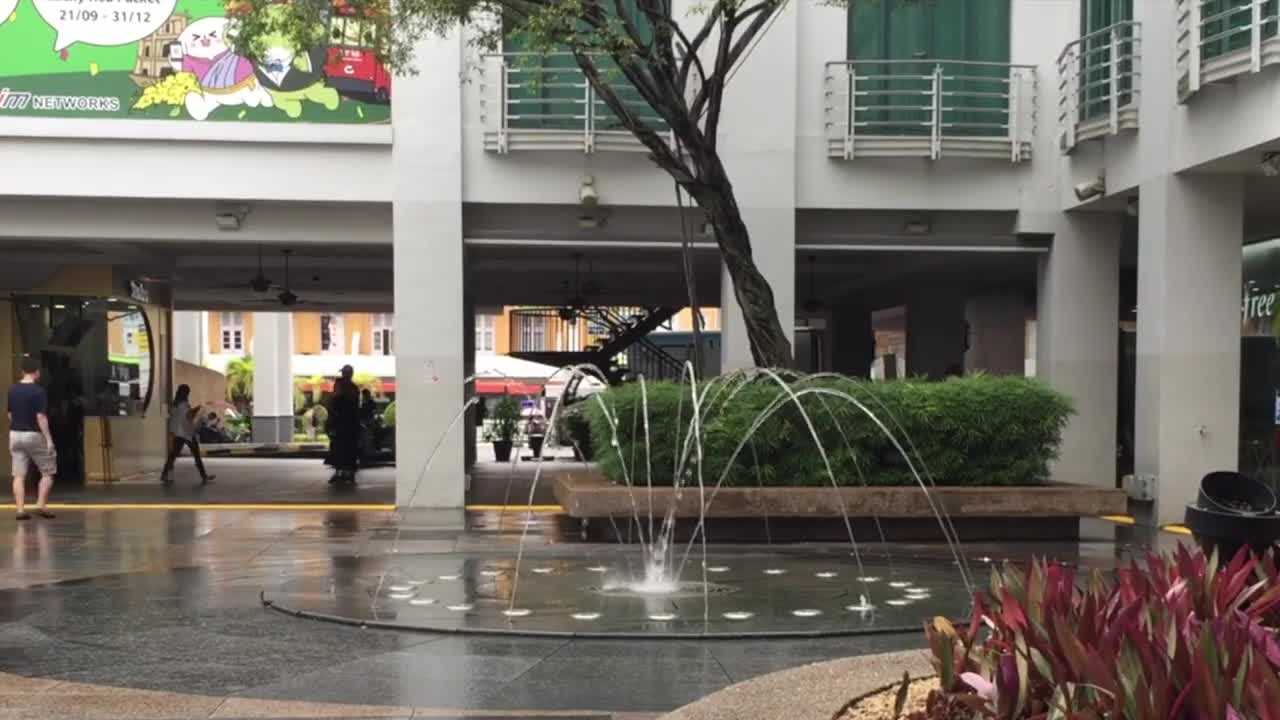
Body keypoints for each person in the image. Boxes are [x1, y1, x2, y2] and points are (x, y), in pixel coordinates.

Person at [7, 356, 56, 520]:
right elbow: (41, 417)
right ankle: (40, 505)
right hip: (33, 434)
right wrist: (48, 439)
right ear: (37, 372)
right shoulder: (38, 391)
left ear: (22, 371)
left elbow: (10, 414)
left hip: (14, 434)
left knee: (18, 475)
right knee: (47, 471)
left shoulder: (13, 389)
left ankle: (20, 510)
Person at [161, 384, 214, 486]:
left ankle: (164, 474)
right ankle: (204, 476)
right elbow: (188, 415)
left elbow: (176, 418)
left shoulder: (174, 404)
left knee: (173, 455)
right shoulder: (183, 404)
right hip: (187, 433)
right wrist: (197, 408)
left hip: (178, 433)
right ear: (186, 393)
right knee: (196, 455)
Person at [326, 377, 360, 484]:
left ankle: (341, 472)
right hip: (349, 427)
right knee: (348, 450)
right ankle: (347, 473)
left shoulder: (339, 398)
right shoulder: (353, 390)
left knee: (340, 449)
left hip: (341, 428)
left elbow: (332, 412)